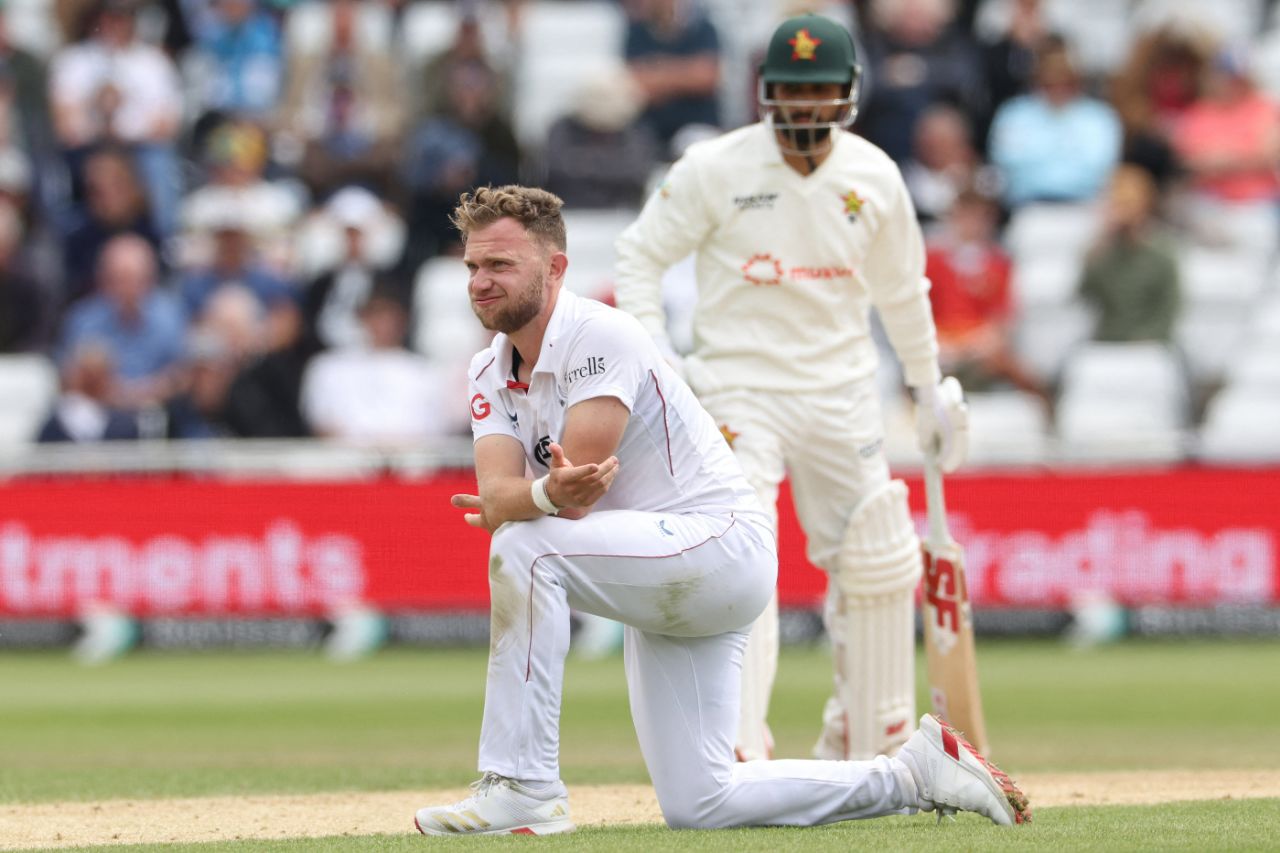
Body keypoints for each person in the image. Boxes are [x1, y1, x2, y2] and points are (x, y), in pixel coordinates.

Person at [412, 184, 1029, 835]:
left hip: (717, 544)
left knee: (523, 549)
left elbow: (571, 490)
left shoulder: (598, 334)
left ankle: (522, 785)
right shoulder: (488, 370)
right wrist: (532, 498)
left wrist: (528, 500)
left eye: (500, 264)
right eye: (473, 267)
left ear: (555, 266)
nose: (481, 281)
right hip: (661, 564)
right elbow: (505, 492)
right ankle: (916, 773)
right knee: (701, 801)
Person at [613, 13, 969, 764]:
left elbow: (904, 294)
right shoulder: (716, 167)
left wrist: (926, 384)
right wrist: (658, 356)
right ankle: (736, 744)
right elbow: (641, 257)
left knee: (875, 555)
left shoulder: (874, 175)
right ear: (765, 93)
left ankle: (870, 740)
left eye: (819, 92)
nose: (804, 108)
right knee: (744, 556)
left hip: (841, 390)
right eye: (790, 92)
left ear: (847, 93)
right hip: (739, 386)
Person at [1078, 163, 1181, 343]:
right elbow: (1084, 294)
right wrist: (1103, 245)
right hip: (1108, 339)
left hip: (1151, 343)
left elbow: (1169, 306)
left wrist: (1148, 337)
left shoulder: (1162, 253)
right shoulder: (1102, 251)